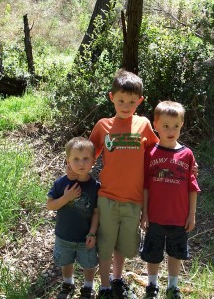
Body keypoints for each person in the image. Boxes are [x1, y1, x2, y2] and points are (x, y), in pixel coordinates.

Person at [68, 69, 159, 299]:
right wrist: (72, 171)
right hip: (107, 198)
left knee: (124, 246)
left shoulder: (144, 125)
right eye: (121, 100)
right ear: (112, 98)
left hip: (134, 200)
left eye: (131, 101)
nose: (126, 106)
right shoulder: (103, 126)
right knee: (106, 245)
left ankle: (117, 280)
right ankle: (105, 286)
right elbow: (87, 154)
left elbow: (159, 154)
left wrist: (185, 164)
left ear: (140, 101)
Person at [140, 101, 200, 299]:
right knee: (153, 253)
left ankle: (173, 286)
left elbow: (192, 187)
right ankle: (152, 286)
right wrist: (145, 213)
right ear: (155, 125)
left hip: (179, 218)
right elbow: (146, 186)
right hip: (155, 216)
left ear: (182, 124)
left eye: (175, 125)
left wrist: (192, 214)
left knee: (175, 254)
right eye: (165, 126)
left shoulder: (187, 155)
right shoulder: (150, 153)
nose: (171, 130)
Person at [47, 137, 100, 299]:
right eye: (76, 159)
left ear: (93, 161)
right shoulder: (62, 183)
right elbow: (50, 205)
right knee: (66, 262)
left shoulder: (96, 186)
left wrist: (92, 232)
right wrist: (66, 198)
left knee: (89, 264)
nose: (81, 163)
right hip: (65, 235)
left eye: (85, 159)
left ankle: (88, 288)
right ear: (67, 161)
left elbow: (97, 212)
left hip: (85, 237)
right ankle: (68, 284)